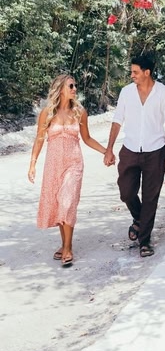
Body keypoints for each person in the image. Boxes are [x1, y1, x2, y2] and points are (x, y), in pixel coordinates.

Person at [28, 74, 109, 267]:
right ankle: (64, 244)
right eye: (71, 86)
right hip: (53, 165)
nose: (74, 89)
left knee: (67, 202)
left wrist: (106, 151)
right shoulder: (47, 113)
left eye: (75, 86)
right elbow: (39, 139)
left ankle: (67, 248)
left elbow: (87, 138)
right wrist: (32, 164)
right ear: (61, 89)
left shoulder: (80, 112)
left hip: (74, 163)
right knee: (59, 205)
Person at [103, 54, 165, 258]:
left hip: (155, 151)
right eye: (132, 72)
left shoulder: (164, 93)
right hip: (130, 149)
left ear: (147, 72)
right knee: (126, 192)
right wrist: (109, 148)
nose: (132, 75)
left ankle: (144, 241)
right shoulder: (126, 92)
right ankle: (139, 218)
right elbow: (117, 120)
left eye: (135, 72)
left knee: (150, 197)